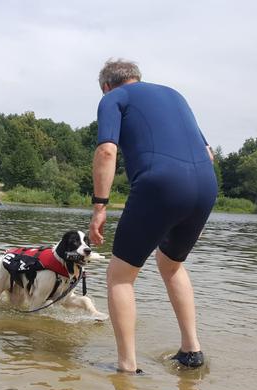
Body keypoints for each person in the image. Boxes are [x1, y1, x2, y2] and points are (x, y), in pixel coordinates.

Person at [88, 59, 217, 373]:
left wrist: (100, 207)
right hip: (205, 185)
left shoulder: (112, 99)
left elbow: (107, 150)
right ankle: (191, 351)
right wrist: (197, 211)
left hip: (160, 184)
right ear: (137, 78)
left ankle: (126, 366)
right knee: (171, 263)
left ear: (106, 86)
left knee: (120, 275)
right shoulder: (174, 95)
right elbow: (209, 153)